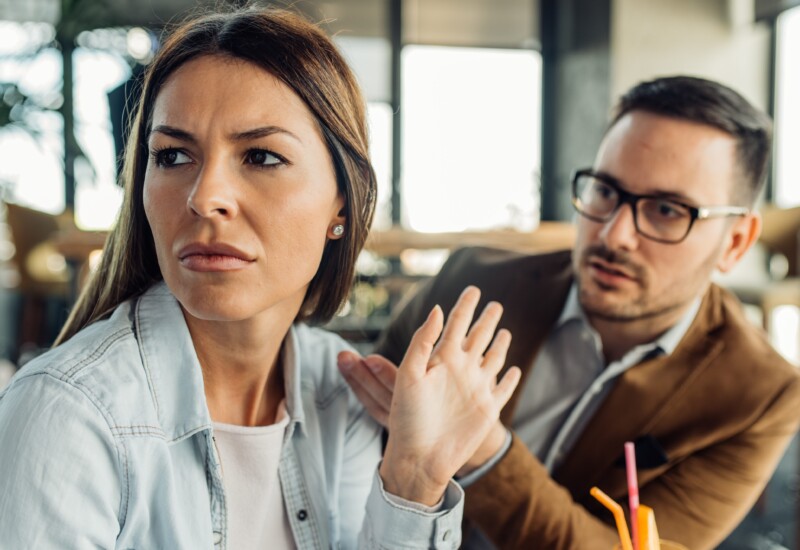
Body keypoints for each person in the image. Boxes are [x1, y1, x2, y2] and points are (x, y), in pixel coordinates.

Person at [0, 8, 522, 549]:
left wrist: (414, 479)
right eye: (173, 155)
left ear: (342, 200)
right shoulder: (66, 417)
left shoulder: (336, 395)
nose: (205, 198)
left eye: (261, 156)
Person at [339, 76, 800, 549]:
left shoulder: (761, 395)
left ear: (736, 242)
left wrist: (484, 451)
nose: (615, 235)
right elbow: (346, 442)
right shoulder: (471, 279)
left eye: (666, 210)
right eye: (605, 191)